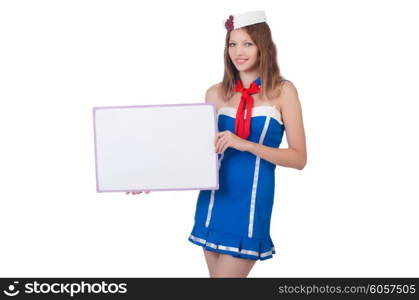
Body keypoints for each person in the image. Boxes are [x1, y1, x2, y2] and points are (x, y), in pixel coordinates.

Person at [128, 10, 307, 278]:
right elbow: (198, 153)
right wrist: (150, 177)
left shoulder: (283, 91)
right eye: (232, 44)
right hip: (213, 200)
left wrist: (245, 144)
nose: (239, 51)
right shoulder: (215, 93)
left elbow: (298, 158)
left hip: (251, 201)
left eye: (247, 43)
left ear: (263, 47)